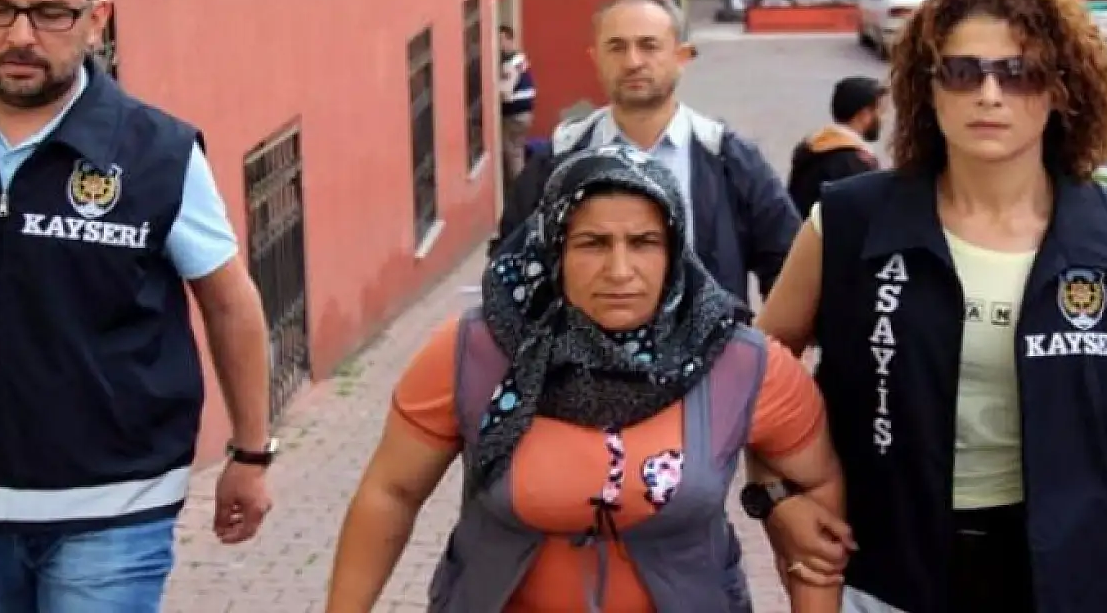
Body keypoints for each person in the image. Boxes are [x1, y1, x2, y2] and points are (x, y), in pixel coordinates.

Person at [752, 0, 1107, 612]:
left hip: (1067, 583)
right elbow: (756, 373)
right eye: (962, 72)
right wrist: (775, 497)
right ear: (929, 88)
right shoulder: (848, 223)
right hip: (887, 572)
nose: (989, 93)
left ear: (1062, 90)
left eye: (1020, 73)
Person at [327, 146, 844, 612]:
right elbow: (391, 491)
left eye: (643, 242)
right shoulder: (475, 351)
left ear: (673, 251)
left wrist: (781, 510)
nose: (619, 270)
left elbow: (817, 497)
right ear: (554, 249)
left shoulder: (738, 361)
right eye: (593, 243)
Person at [0, 0, 276, 612]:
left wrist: (252, 453)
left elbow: (230, 303)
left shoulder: (158, 153)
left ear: (96, 18)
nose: (20, 35)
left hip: (112, 510)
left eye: (50, 12)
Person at [492, 0, 800, 303]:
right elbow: (509, 270)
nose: (632, 62)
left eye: (649, 46)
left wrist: (753, 335)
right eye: (617, 47)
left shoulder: (730, 160)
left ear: (682, 57)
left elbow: (791, 271)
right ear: (595, 59)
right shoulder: (557, 162)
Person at [786, 75, 884, 217]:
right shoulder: (857, 164)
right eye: (880, 111)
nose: (883, 119)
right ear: (864, 114)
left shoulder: (812, 146)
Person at [499, 24, 536, 181]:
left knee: (513, 155)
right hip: (525, 113)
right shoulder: (520, 59)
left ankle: (520, 188)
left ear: (510, 40)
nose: (498, 44)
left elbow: (505, 93)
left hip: (514, 114)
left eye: (501, 40)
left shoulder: (511, 63)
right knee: (518, 152)